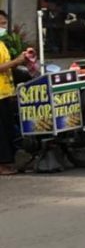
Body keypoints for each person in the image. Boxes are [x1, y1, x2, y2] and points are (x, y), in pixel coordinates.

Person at [0, 11, 34, 176]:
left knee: (8, 130)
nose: (3, 27)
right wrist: (17, 61)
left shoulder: (2, 44)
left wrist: (23, 60)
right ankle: (2, 165)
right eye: (0, 23)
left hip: (6, 92)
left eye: (4, 23)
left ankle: (11, 161)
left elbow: (8, 66)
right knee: (1, 133)